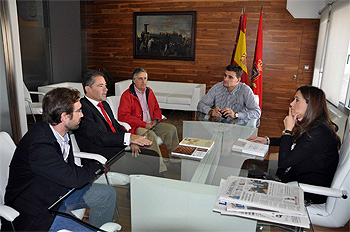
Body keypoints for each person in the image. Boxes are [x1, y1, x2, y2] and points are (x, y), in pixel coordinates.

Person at [2, 88, 116, 231]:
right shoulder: (39, 145)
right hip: (38, 211)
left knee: (107, 194)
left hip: (58, 193)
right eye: (79, 111)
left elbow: (68, 172)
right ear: (64, 116)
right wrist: (97, 167)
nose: (82, 115)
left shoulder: (60, 132)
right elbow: (73, 179)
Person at [248, 86, 340, 204]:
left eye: (297, 100)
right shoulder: (315, 126)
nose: (291, 104)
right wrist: (267, 140)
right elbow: (296, 141)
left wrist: (287, 130)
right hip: (298, 180)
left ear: (310, 104)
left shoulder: (318, 132)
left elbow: (284, 161)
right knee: (252, 180)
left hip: (308, 193)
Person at [74, 71, 159, 176]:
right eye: (101, 86)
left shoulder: (104, 104)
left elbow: (116, 126)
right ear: (88, 89)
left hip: (117, 149)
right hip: (104, 158)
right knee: (147, 168)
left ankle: (142, 189)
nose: (106, 89)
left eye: (105, 85)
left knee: (154, 157)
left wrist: (131, 140)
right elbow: (99, 136)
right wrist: (129, 138)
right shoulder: (82, 109)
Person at [118, 68, 179, 172]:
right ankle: (159, 167)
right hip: (137, 125)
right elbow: (123, 116)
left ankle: (176, 161)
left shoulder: (149, 92)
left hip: (151, 122)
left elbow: (156, 108)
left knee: (171, 129)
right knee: (150, 135)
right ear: (134, 80)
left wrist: (155, 120)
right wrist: (143, 124)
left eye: (145, 78)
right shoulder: (127, 95)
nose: (143, 81)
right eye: (140, 78)